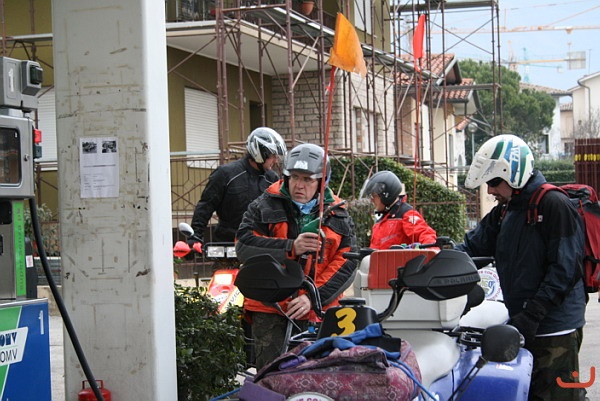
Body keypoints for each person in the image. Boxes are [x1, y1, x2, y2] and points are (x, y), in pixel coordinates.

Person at [455, 134, 586, 401]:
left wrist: (532, 314)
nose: (489, 190)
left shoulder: (553, 204)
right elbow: (473, 246)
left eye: (494, 182)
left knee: (559, 396)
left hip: (555, 329)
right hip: (524, 324)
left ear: (513, 174)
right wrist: (434, 257)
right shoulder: (507, 210)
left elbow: (566, 269)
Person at [235, 143, 358, 369]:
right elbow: (244, 246)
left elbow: (347, 263)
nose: (299, 185)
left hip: (317, 311)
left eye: (307, 179)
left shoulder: (338, 214)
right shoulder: (262, 205)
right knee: (271, 375)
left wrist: (313, 297)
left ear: (322, 182)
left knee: (318, 375)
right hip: (270, 308)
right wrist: (291, 247)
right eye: (294, 177)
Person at [187, 127, 287, 246]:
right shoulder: (225, 174)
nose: (275, 161)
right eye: (272, 156)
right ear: (260, 153)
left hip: (261, 244)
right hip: (228, 244)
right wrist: (195, 236)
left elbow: (281, 210)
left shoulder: (272, 178)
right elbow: (206, 206)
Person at [362, 170, 437, 249]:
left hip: (400, 257)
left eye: (374, 196)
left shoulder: (406, 215)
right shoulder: (380, 221)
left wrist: (430, 251)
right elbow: (375, 250)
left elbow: (427, 236)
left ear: (386, 195)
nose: (372, 200)